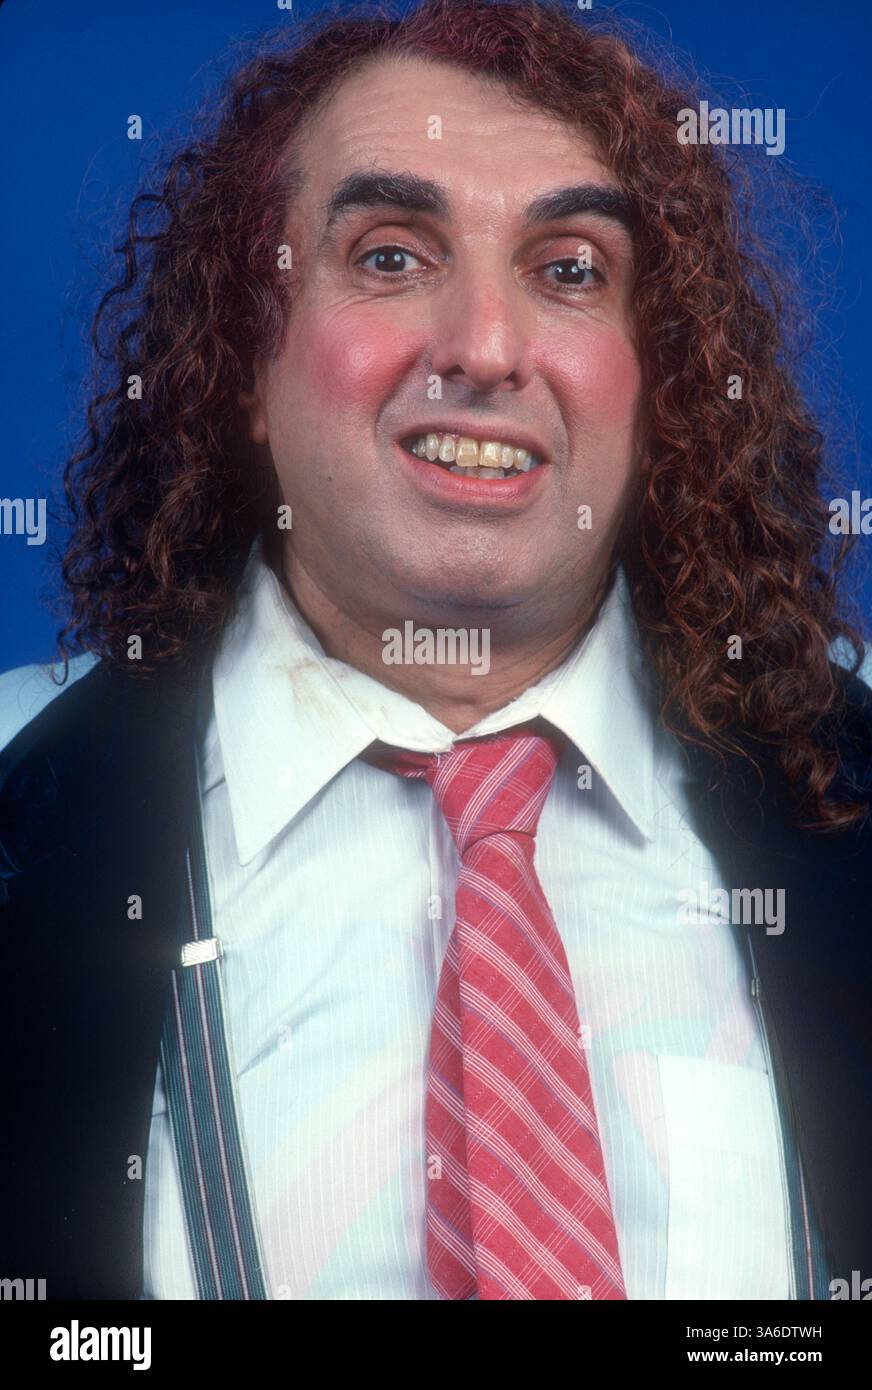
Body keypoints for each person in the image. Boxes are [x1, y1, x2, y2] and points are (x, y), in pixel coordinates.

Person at [1, 0, 870, 1302]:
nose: (486, 349)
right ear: (246, 353)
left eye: (569, 270)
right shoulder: (21, 807)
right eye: (393, 256)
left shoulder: (855, 787)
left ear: (663, 378)